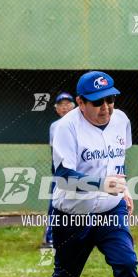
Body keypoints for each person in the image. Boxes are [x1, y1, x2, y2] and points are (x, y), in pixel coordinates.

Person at [36, 71, 138, 277]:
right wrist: (101, 185)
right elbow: (63, 177)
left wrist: (122, 190)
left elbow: (117, 161)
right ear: (79, 102)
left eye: (110, 99)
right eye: (97, 102)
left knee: (126, 262)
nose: (106, 108)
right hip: (73, 216)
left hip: (111, 210)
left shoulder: (121, 120)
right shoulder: (65, 128)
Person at [42, 92, 76, 248]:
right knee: (55, 204)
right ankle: (50, 237)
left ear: (74, 106)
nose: (65, 107)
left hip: (80, 172)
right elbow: (55, 152)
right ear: (56, 109)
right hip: (62, 173)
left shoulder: (81, 123)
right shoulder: (55, 126)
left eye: (68, 104)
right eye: (61, 105)